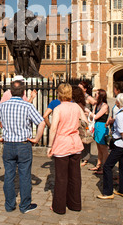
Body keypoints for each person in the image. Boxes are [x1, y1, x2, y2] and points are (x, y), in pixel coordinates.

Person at [0, 79, 46, 213]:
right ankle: (25, 205)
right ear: (23, 92)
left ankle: (9, 205)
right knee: (24, 175)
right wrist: (36, 138)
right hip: (23, 144)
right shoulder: (28, 106)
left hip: (8, 144)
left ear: (10, 91)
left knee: (9, 175)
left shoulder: (3, 106)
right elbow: (41, 123)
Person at [47, 83, 84, 215]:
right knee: (75, 176)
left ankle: (59, 206)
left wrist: (50, 146)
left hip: (62, 143)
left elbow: (53, 128)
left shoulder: (59, 108)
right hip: (75, 143)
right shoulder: (76, 107)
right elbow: (84, 121)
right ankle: (75, 204)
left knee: (61, 177)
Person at [97, 93, 123, 200]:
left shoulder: (119, 115)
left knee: (108, 166)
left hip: (119, 144)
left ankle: (108, 192)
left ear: (118, 102)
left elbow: (122, 133)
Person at [89, 89, 109, 173]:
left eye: (96, 94)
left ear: (101, 95)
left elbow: (96, 116)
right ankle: (98, 165)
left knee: (103, 149)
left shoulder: (105, 106)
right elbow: (92, 117)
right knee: (98, 148)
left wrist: (88, 112)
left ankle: (105, 167)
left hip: (102, 127)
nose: (95, 95)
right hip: (96, 127)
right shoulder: (97, 105)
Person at [71, 85, 92, 166]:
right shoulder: (79, 102)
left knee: (82, 143)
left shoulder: (77, 104)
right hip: (79, 126)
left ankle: (83, 158)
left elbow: (82, 118)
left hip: (79, 126)